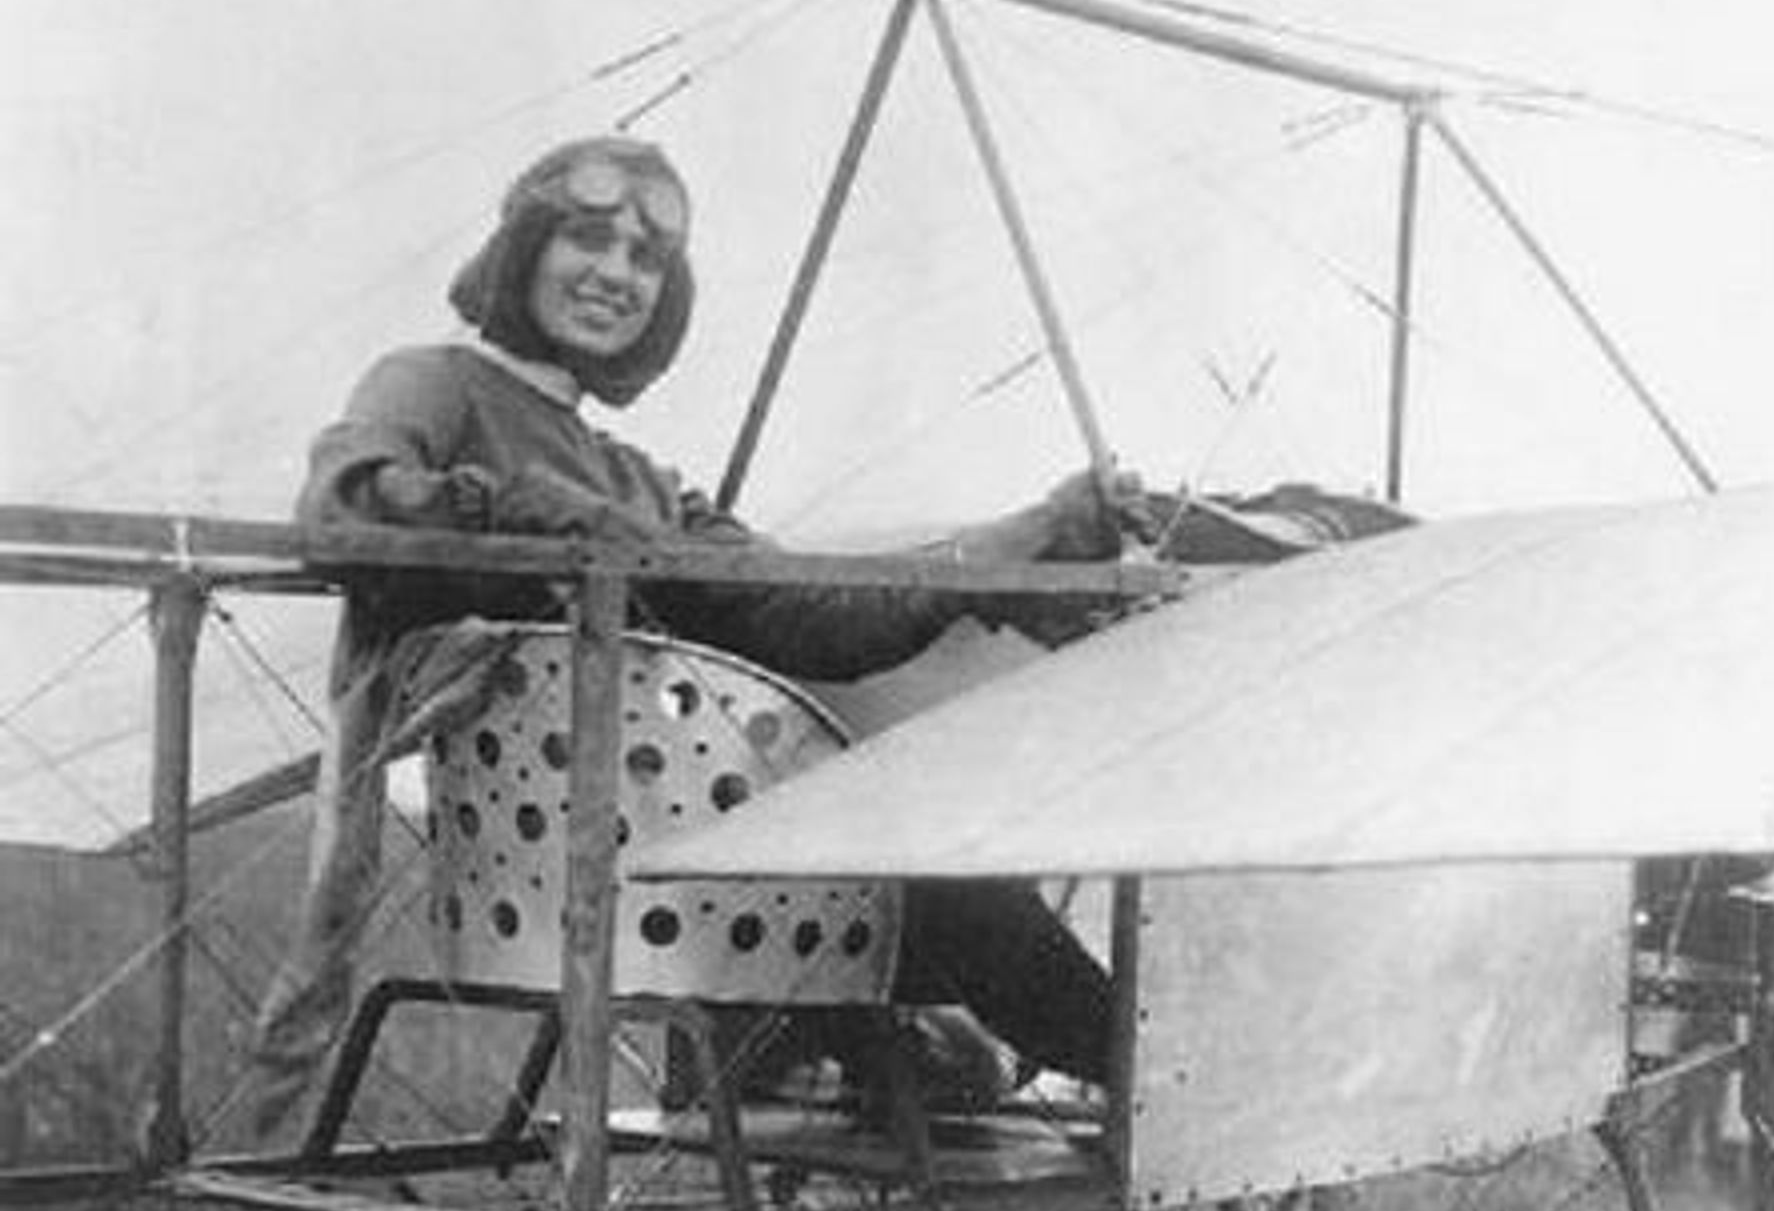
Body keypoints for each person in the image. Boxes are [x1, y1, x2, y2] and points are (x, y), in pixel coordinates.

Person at [246, 135, 1138, 1134]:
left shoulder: (645, 485)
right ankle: (1140, 1072)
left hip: (679, 860)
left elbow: (809, 619)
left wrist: (1019, 540)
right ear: (525, 248)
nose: (616, 273)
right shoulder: (434, 382)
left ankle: (1002, 1059)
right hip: (593, 868)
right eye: (588, 238)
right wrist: (536, 517)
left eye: (645, 259)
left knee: (951, 899)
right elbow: (342, 512)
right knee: (946, 895)